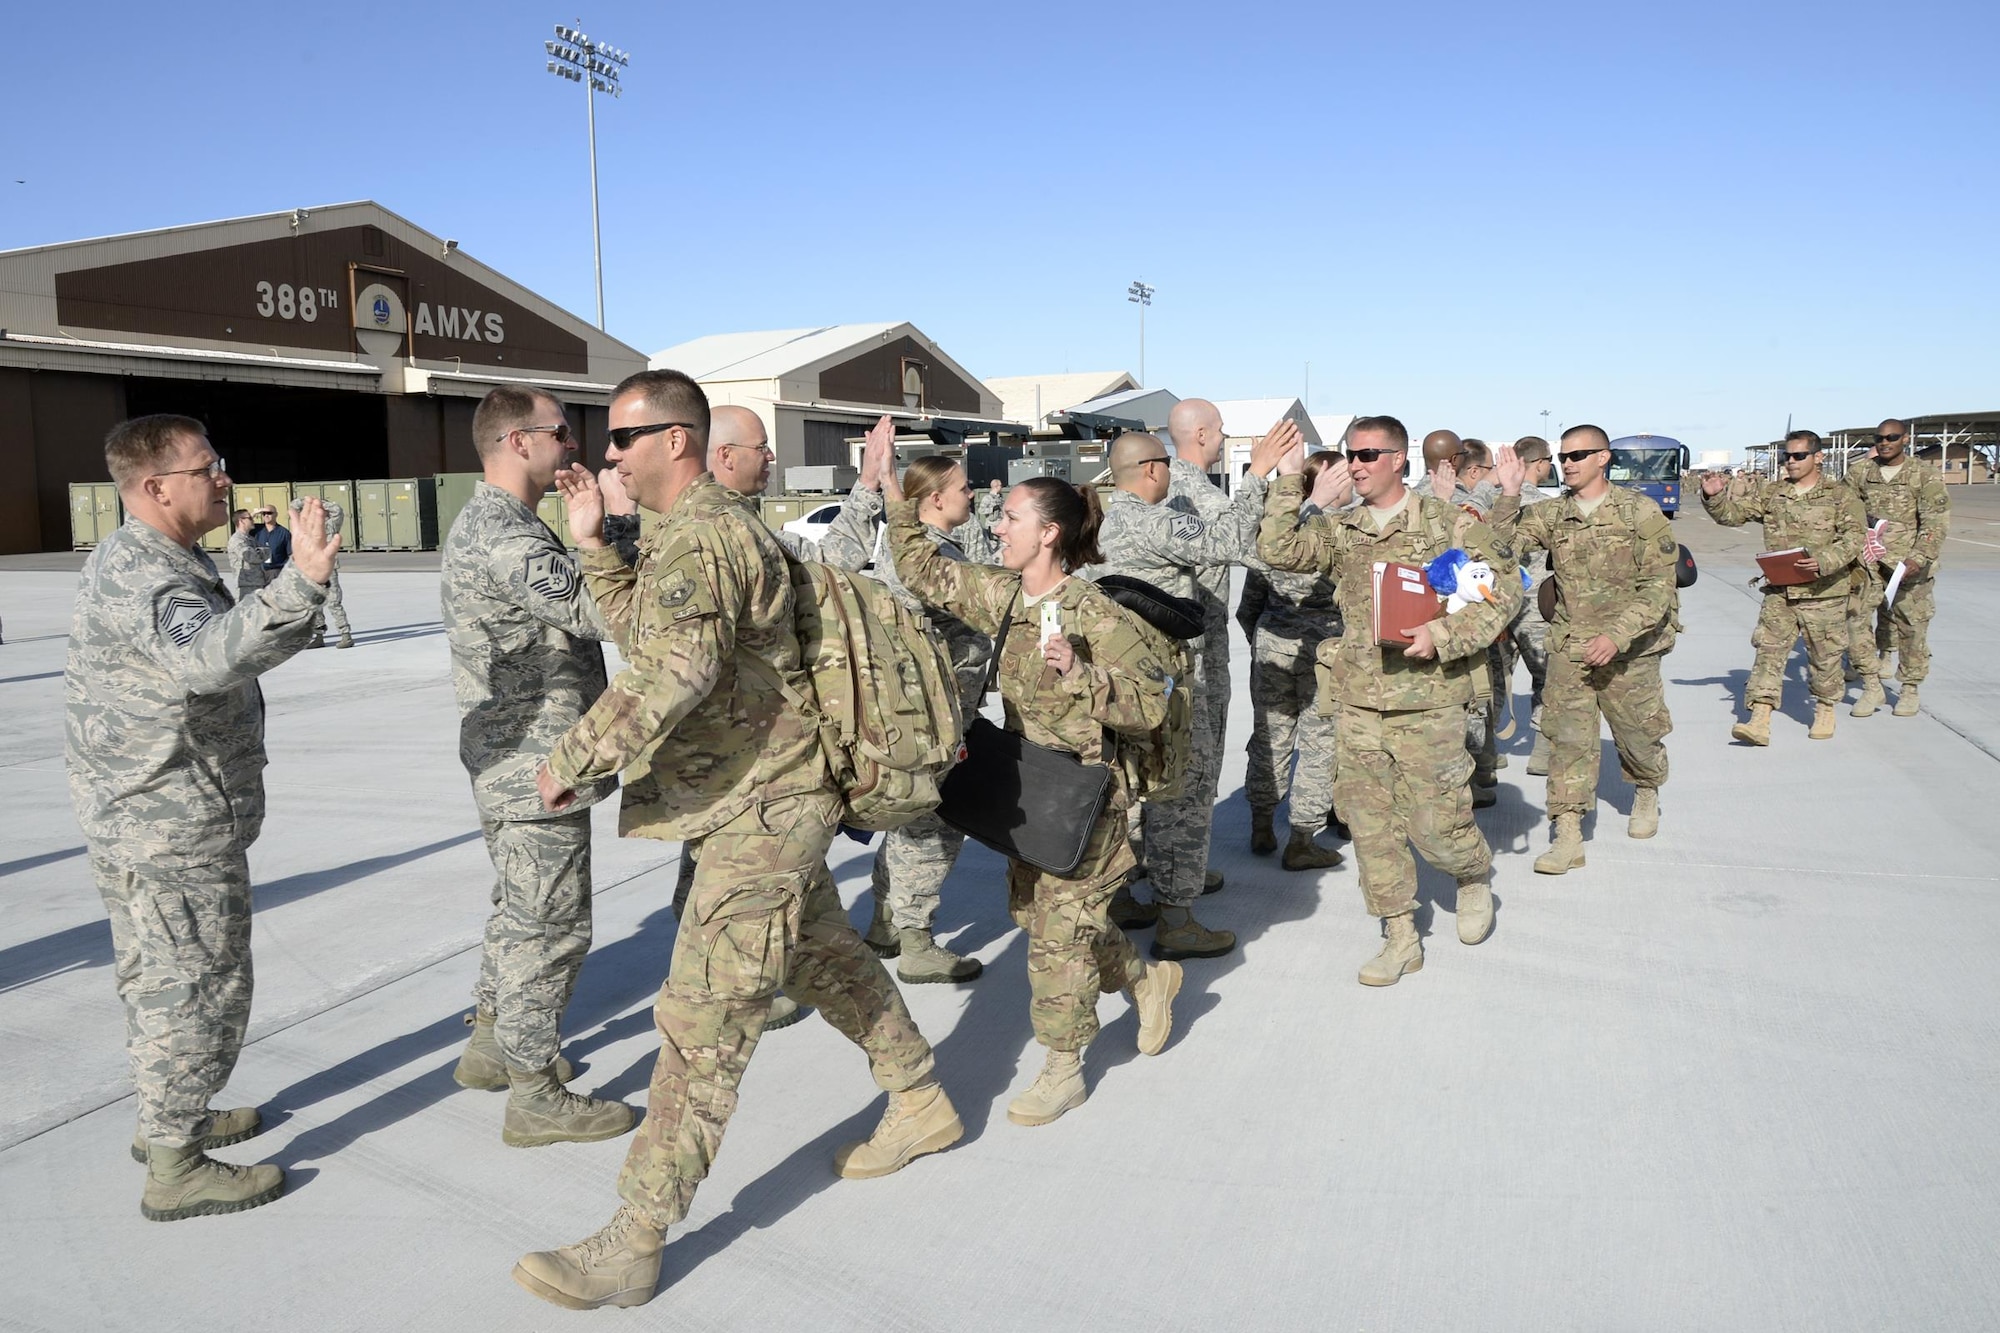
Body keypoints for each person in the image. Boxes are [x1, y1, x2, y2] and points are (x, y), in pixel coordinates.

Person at [512, 374, 958, 1311]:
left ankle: (636, 1236)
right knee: (828, 959)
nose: (610, 452)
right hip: (763, 801)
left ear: (675, 439)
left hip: (764, 811)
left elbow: (677, 665)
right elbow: (653, 629)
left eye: (623, 436)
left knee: (702, 1021)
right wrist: (596, 546)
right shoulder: (695, 534)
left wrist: (575, 760)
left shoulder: (709, 534)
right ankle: (919, 1098)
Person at [65, 415, 334, 1220]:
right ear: (155, 488)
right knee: (197, 985)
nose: (223, 477)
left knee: (162, 978)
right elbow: (208, 654)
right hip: (169, 822)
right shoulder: (145, 570)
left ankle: (167, 1118)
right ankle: (177, 1163)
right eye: (207, 466)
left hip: (154, 814)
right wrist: (303, 581)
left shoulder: (160, 556)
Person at [881, 426, 1185, 1126]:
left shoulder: (1099, 614)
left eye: (1011, 517)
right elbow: (925, 569)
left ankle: (1062, 1065)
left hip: (1091, 799)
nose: (998, 526)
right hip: (1030, 793)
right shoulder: (1007, 597)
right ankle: (1144, 980)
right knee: (1041, 918)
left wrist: (1082, 676)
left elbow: (1151, 705)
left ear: (1048, 533)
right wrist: (894, 495)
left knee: (1059, 938)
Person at [1255, 415, 1520, 985]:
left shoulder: (1450, 525)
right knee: (1370, 826)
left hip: (1428, 705)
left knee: (1436, 824)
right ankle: (1399, 935)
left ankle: (1471, 876)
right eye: (1351, 454)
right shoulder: (1341, 529)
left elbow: (1502, 593)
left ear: (1399, 459)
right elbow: (1276, 549)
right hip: (1359, 703)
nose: (1356, 464)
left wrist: (1443, 636)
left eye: (1369, 454)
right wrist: (1286, 480)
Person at [440, 387, 634, 1147]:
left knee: (519, 912)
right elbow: (600, 611)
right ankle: (534, 1092)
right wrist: (610, 526)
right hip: (533, 765)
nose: (575, 444)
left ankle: (492, 1046)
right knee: (550, 926)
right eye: (562, 431)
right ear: (520, 442)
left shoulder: (508, 523)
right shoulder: (505, 535)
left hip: (516, 758)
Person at [1090, 430, 1267, 959]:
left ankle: (1120, 895)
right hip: (1166, 688)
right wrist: (1257, 475)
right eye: (1165, 465)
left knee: (1128, 795)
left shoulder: (1096, 521)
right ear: (1150, 470)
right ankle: (1177, 918)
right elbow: (1232, 541)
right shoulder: (1155, 521)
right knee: (1182, 798)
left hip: (1118, 686)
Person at [1488, 427, 1677, 874]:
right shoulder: (1553, 513)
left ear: (1603, 458)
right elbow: (1499, 550)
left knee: (1637, 736)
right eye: (1563, 456)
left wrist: (1616, 636)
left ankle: (1647, 789)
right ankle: (1568, 834)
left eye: (1579, 455)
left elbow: (1658, 589)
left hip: (1629, 650)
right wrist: (1511, 494)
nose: (1568, 463)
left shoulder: (1639, 512)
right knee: (1568, 741)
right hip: (1571, 647)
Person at [839, 435, 991, 983]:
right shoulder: (921, 554)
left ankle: (887, 921)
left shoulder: (922, 545)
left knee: (914, 821)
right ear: (933, 500)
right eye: (962, 488)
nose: (971, 495)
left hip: (931, 714)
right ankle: (916, 941)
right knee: (935, 826)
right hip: (934, 719)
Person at [1701, 430, 1865, 744]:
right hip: (1782, 590)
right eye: (1786, 456)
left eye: (1798, 456)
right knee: (1768, 652)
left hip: (1825, 592)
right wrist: (1714, 497)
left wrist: (1823, 561)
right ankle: (1759, 719)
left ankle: (1825, 709)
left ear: (1818, 457)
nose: (1790, 462)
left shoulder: (1839, 495)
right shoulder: (1774, 493)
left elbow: (1854, 539)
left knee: (1826, 656)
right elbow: (1733, 516)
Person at [1164, 398, 1259, 895]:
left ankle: (1167, 867)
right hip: (1195, 654)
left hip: (1184, 649)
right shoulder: (1190, 491)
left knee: (1171, 772)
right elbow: (1246, 544)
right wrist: (1262, 478)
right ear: (1200, 434)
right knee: (1195, 775)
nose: (1223, 440)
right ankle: (1179, 882)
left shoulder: (1166, 487)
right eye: (1220, 431)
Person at [1238, 450, 1347, 870]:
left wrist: (1263, 641)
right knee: (1320, 745)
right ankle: (1302, 837)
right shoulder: (1341, 532)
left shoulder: (1276, 530)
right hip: (1326, 654)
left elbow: (1248, 604)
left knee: (1270, 737)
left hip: (1272, 648)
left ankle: (1261, 823)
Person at [1845, 418, 1950, 718]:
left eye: (1892, 437)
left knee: (1912, 628)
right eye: (1879, 437)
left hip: (1910, 567)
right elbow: (1842, 507)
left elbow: (1935, 522)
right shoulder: (1861, 472)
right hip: (1869, 563)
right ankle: (1870, 680)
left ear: (1905, 439)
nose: (1884, 442)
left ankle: (1909, 688)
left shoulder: (1923, 475)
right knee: (1856, 619)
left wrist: (1919, 556)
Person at [1506, 437, 1560, 775]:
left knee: (1493, 681)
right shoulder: (1546, 508)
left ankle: (1485, 760)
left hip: (1496, 607)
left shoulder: (1498, 503)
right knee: (1546, 677)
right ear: (1541, 463)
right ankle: (1541, 752)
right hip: (1536, 608)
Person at [289, 496, 354, 648]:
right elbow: (293, 507)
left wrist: (320, 503)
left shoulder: (330, 525)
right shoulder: (305, 527)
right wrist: (308, 501)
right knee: (315, 604)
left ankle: (345, 635)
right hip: (311, 569)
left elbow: (337, 510)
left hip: (328, 569)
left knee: (334, 602)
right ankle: (319, 636)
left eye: (320, 511)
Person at [224, 508, 266, 601]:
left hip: (257, 582)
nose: (253, 520)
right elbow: (250, 556)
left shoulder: (250, 539)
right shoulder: (237, 540)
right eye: (250, 518)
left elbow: (262, 553)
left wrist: (262, 552)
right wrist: (264, 552)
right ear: (241, 521)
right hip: (246, 584)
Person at [251, 506, 291, 574]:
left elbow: (290, 554)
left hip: (276, 571)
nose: (266, 515)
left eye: (269, 513)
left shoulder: (284, 533)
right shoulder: (257, 529)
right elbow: (243, 525)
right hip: (259, 570)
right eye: (264, 513)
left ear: (276, 514)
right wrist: (255, 513)